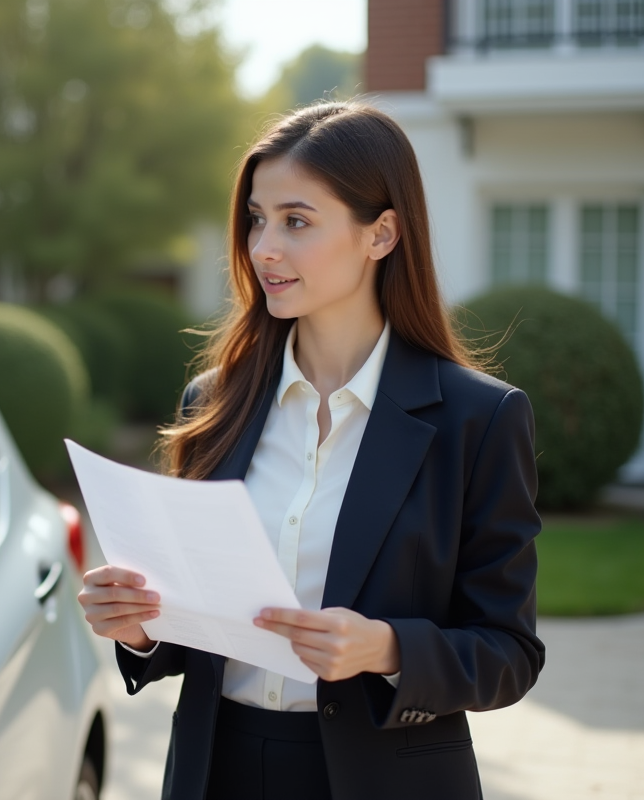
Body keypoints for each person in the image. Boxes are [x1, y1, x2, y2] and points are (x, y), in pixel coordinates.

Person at [76, 102, 543, 800]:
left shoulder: (479, 419)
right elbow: (190, 631)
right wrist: (139, 625)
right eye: (257, 219)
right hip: (215, 772)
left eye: (296, 221)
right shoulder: (213, 403)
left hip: (383, 779)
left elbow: (509, 653)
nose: (264, 246)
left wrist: (384, 647)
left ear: (380, 234)